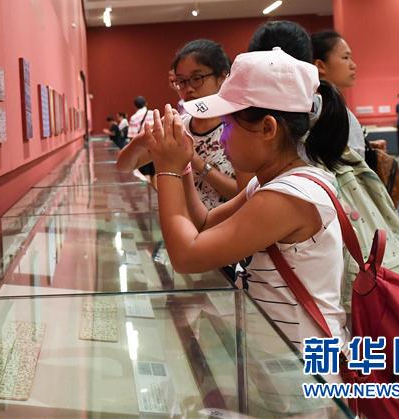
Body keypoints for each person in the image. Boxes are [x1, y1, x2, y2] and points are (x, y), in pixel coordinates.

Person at [142, 48, 350, 347]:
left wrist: (167, 169)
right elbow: (205, 224)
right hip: (278, 351)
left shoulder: (289, 197)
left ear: (267, 128)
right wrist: (184, 165)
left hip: (304, 360)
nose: (223, 137)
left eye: (228, 125)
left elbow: (187, 256)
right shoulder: (268, 183)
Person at [118, 40, 250, 210]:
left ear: (222, 77)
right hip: (185, 224)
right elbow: (124, 165)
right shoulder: (181, 127)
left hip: (227, 225)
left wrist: (197, 163)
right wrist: (144, 138)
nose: (188, 89)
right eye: (181, 81)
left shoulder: (238, 128)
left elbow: (245, 195)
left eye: (196, 78)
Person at [312, 30, 365, 156]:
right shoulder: (318, 110)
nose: (353, 65)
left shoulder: (335, 107)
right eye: (345, 57)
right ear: (321, 66)